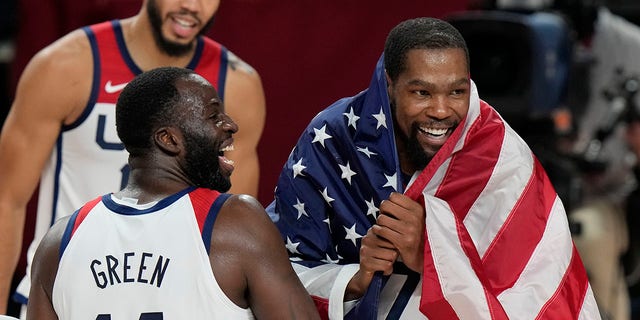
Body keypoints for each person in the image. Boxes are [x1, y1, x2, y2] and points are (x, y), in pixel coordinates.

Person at [266, 17, 600, 318]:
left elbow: (539, 297)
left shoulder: (499, 155)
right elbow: (274, 272)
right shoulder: (335, 139)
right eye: (422, 92)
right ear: (390, 84)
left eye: (457, 91)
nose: (441, 111)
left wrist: (432, 253)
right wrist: (354, 280)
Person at [0, 0, 265, 315]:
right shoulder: (67, 65)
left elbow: (231, 220)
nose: (191, 6)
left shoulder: (236, 84)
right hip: (62, 291)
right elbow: (7, 199)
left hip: (169, 300)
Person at [24, 67, 318, 320]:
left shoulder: (58, 243)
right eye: (214, 115)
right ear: (168, 140)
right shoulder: (235, 223)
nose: (231, 124)